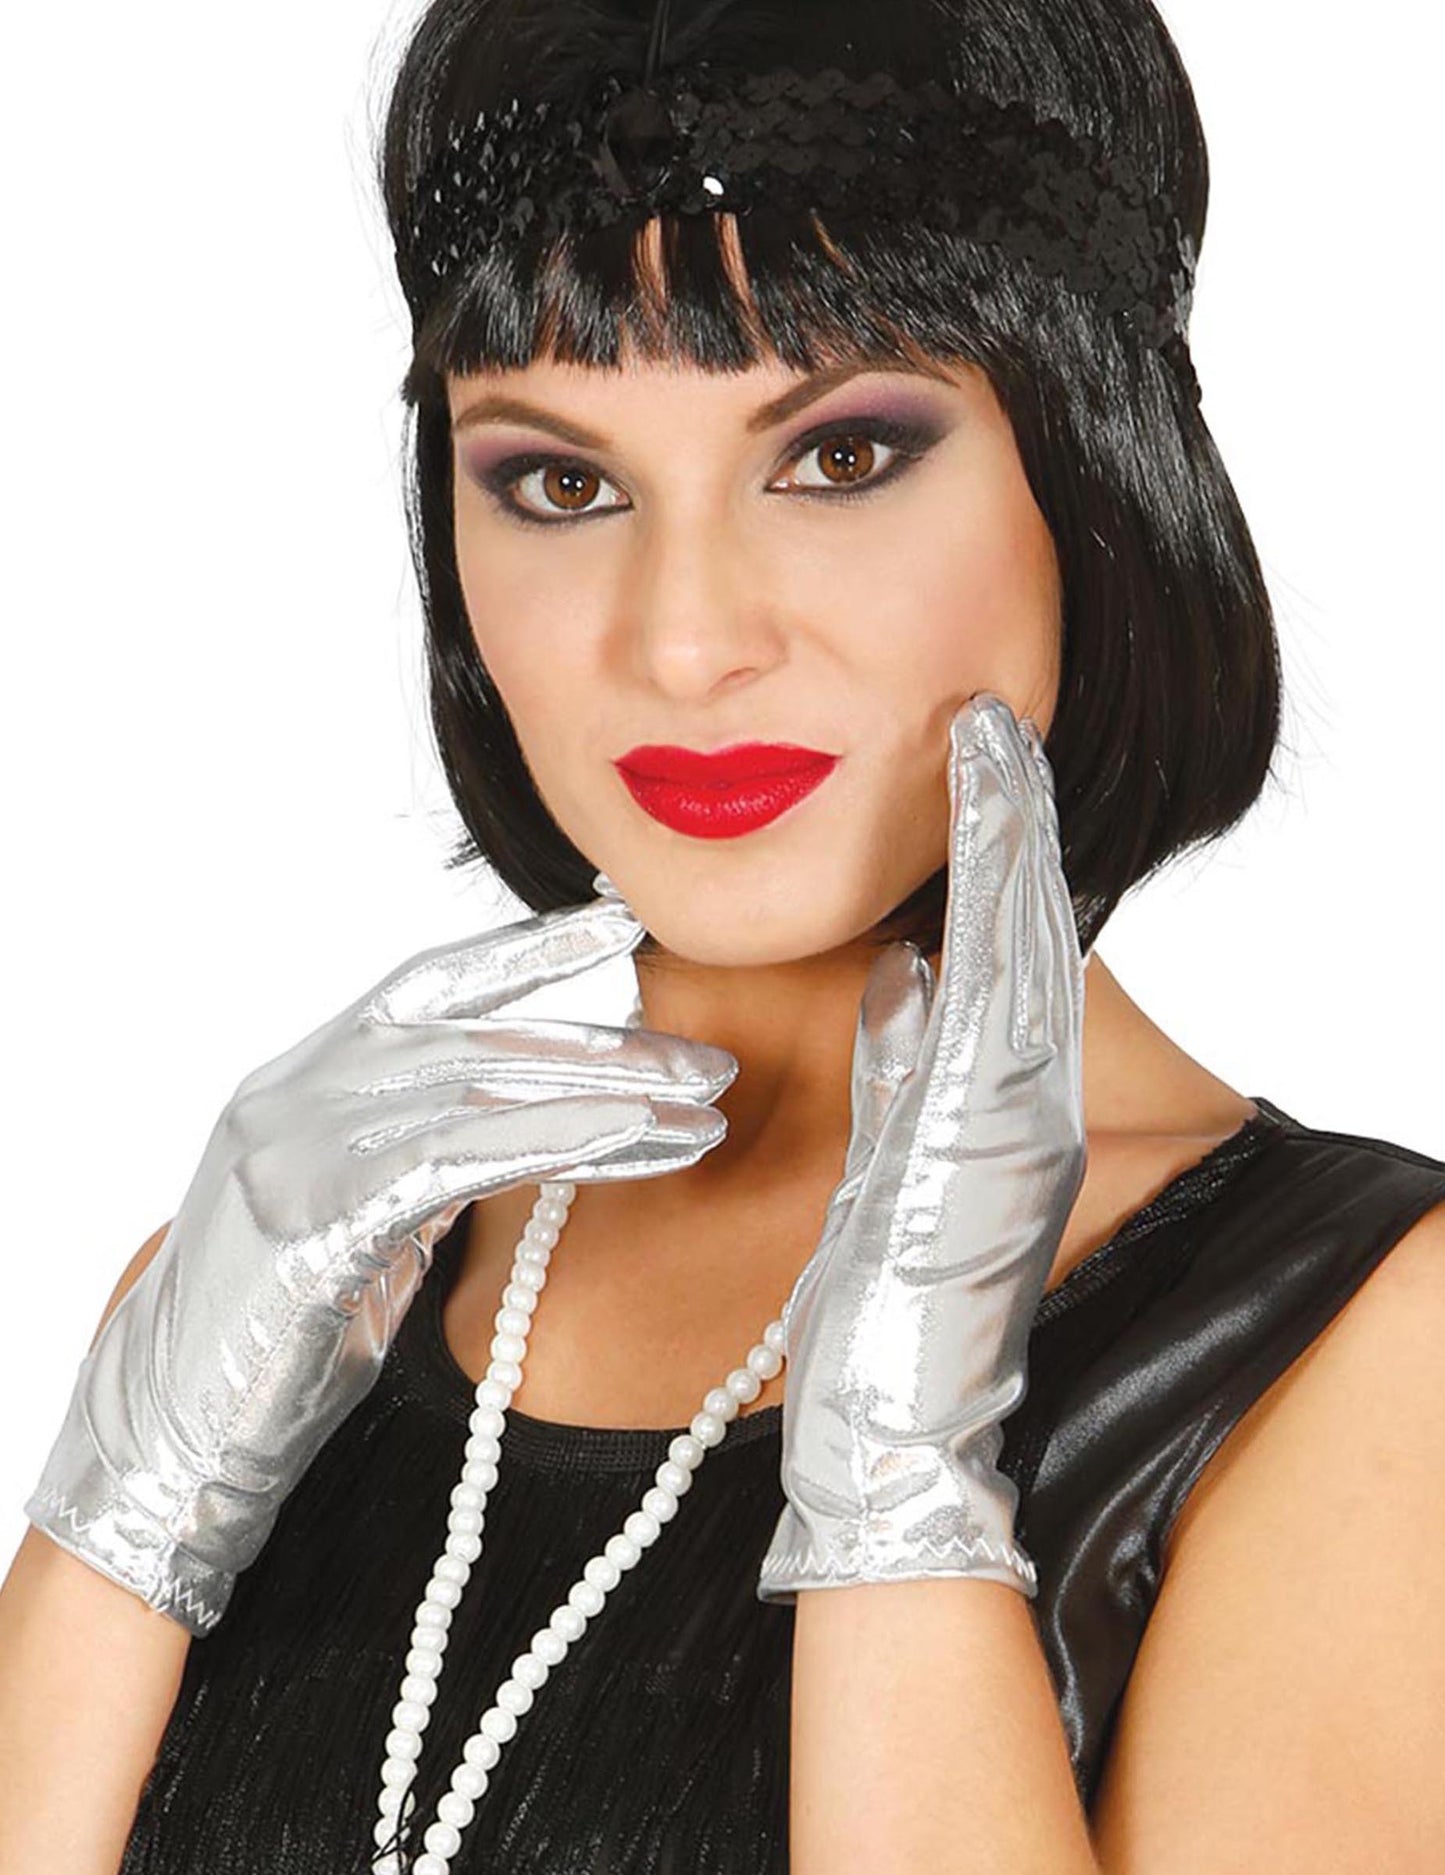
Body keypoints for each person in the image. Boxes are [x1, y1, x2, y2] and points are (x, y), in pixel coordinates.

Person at [3, 0, 1443, 1871]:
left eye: (837, 457)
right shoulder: (294, 1291)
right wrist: (121, 1528)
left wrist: (905, 1502)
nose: (681, 643)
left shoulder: (1371, 1350)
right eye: (560, 481)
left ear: (1092, 477)